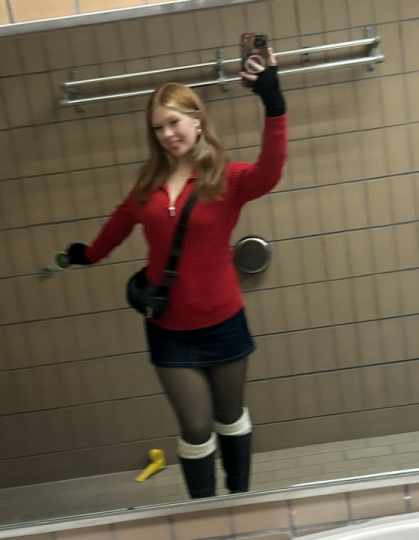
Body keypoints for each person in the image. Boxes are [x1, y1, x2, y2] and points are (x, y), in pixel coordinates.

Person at [65, 50, 287, 499]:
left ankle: (239, 500)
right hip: (169, 329)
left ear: (197, 121)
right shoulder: (147, 185)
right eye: (158, 128)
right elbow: (119, 223)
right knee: (195, 426)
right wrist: (87, 255)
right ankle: (203, 514)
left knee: (229, 416)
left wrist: (273, 105)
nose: (167, 134)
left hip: (224, 322)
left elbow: (269, 172)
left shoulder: (226, 178)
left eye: (174, 122)